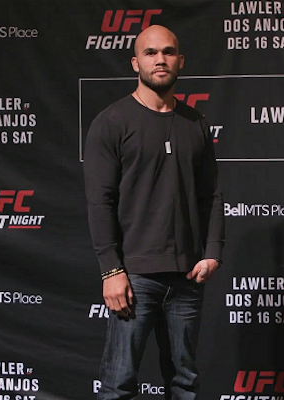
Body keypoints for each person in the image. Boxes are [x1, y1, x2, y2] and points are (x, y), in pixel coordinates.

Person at [83, 25, 224, 400]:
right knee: (118, 384)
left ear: (180, 61)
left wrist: (212, 251)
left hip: (187, 277)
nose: (160, 59)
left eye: (168, 52)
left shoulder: (196, 124)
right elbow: (99, 202)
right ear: (135, 63)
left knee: (185, 383)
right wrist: (111, 270)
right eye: (150, 52)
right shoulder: (111, 123)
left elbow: (211, 194)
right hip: (134, 277)